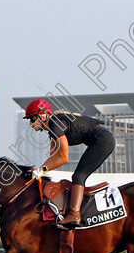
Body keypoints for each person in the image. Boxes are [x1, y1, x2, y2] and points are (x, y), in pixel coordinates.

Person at [24, 98, 115, 229]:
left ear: (42, 116)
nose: (31, 124)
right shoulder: (54, 127)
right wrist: (39, 170)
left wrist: (41, 170)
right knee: (78, 175)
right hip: (102, 139)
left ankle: (74, 214)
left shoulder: (56, 124)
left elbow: (63, 158)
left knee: (78, 176)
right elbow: (53, 157)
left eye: (32, 119)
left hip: (102, 140)